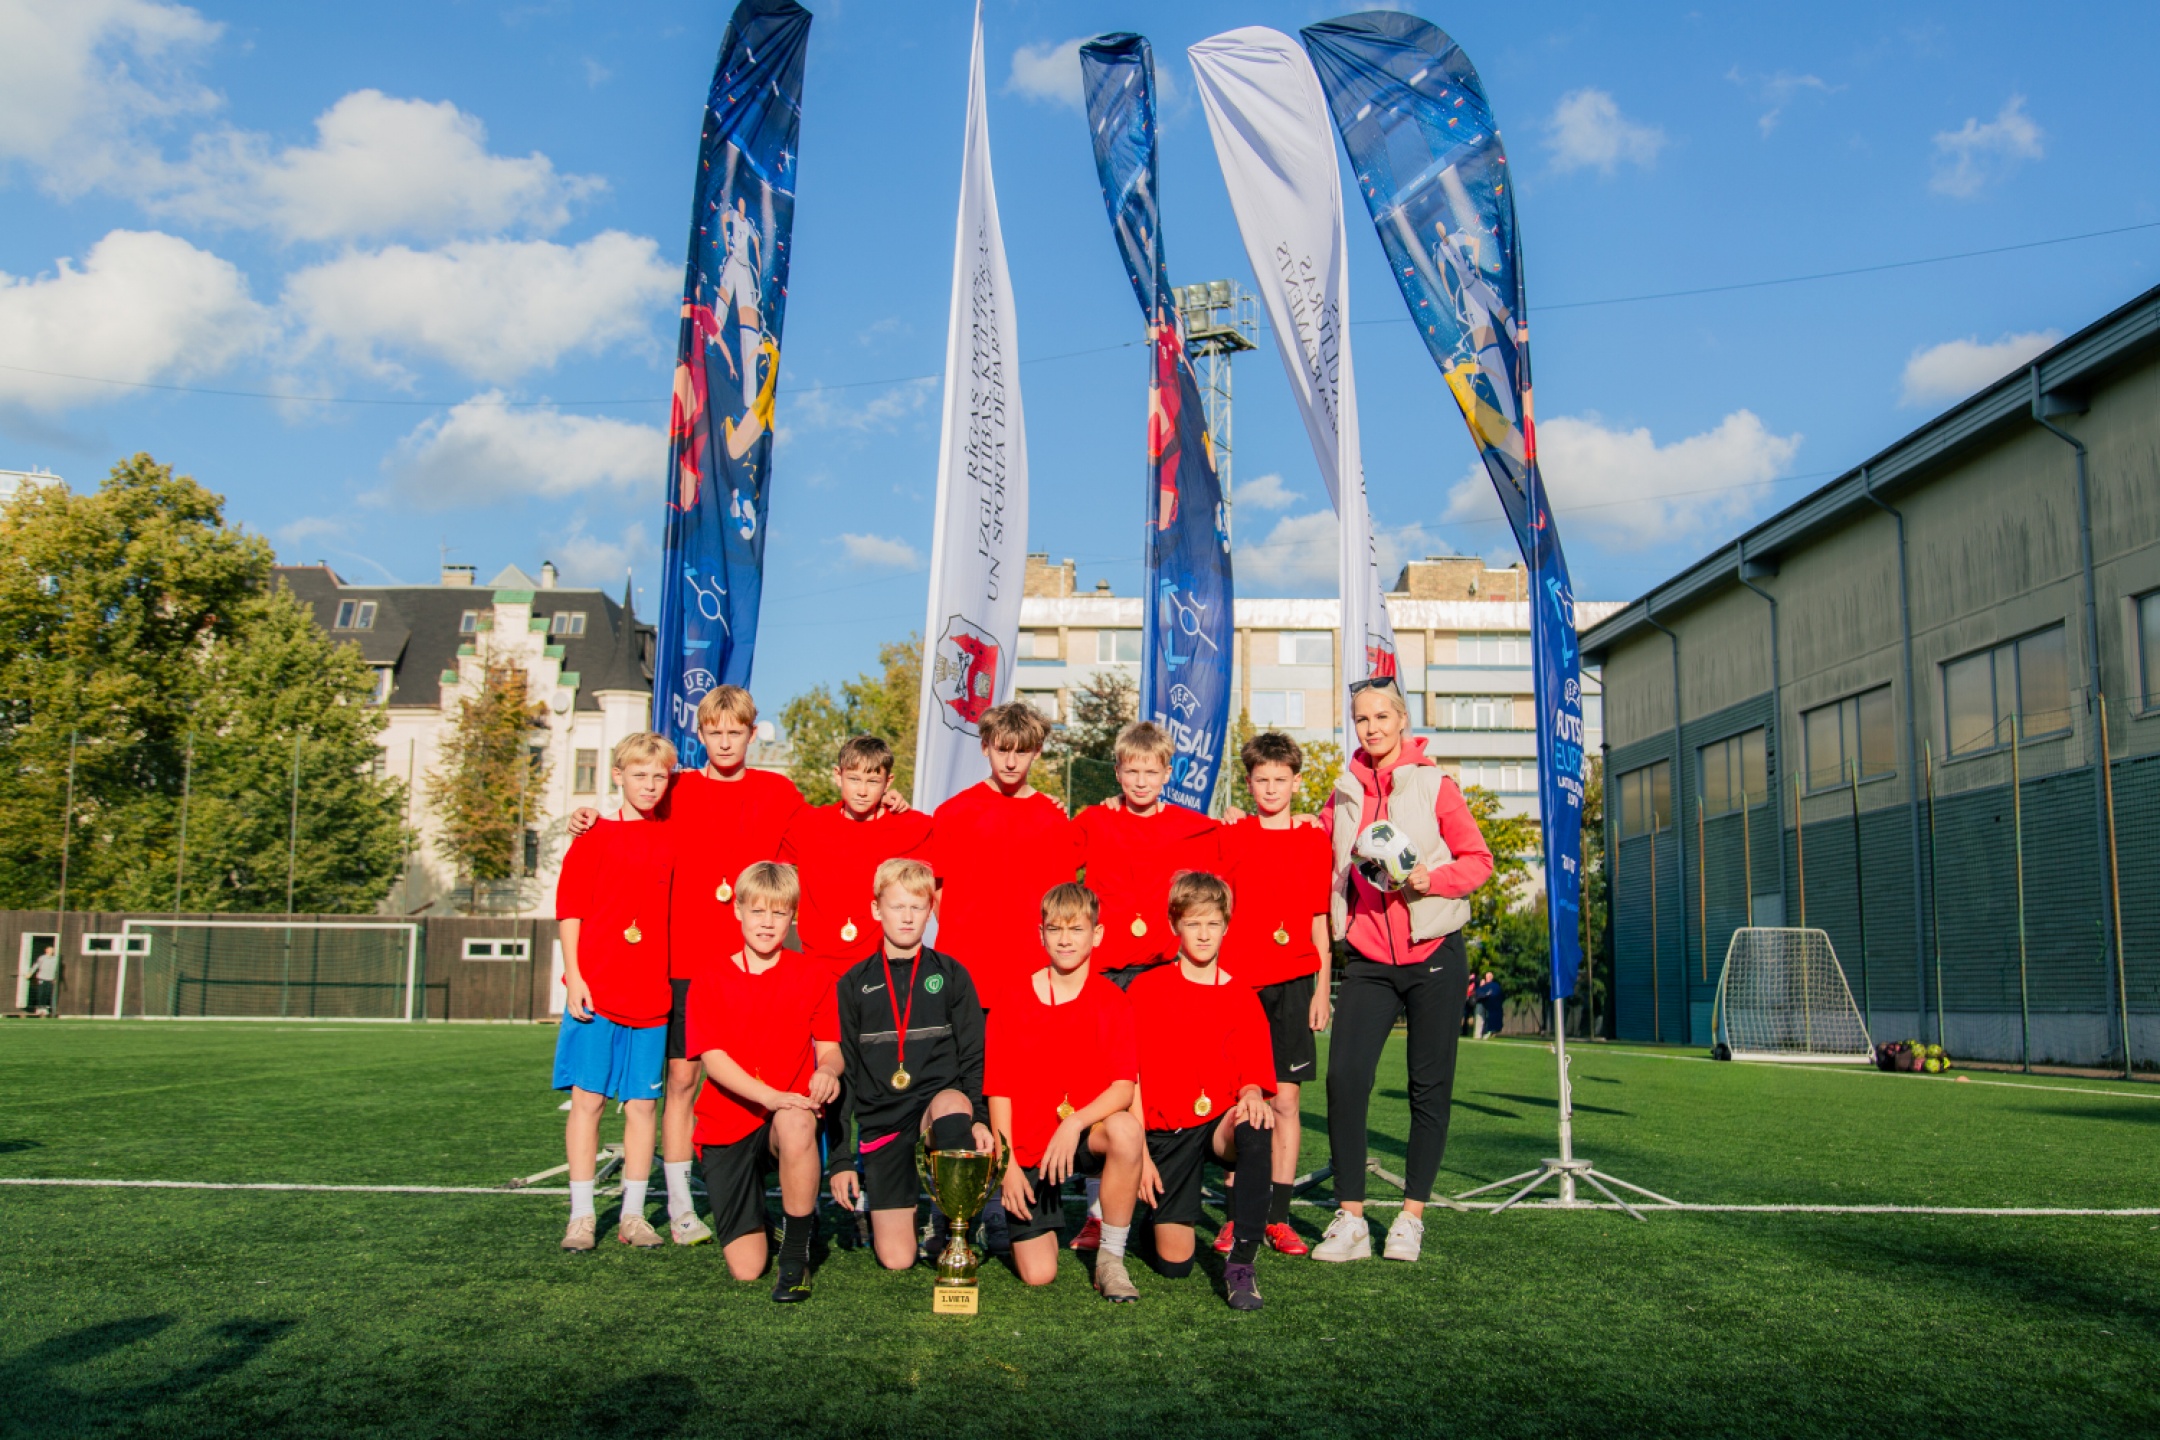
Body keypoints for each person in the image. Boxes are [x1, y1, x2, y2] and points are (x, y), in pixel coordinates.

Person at [564, 687, 907, 1247]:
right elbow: (633, 809)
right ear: (700, 735)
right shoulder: (676, 786)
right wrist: (588, 817)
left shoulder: (778, 791)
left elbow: (832, 822)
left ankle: (788, 1182)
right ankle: (681, 1207)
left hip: (756, 966)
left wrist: (888, 800)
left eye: (736, 732)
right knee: (681, 1081)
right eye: (715, 732)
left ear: (752, 732)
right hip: (681, 962)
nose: (725, 742)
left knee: (775, 1075)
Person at [1313, 679, 1494, 1266]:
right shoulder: (1344, 792)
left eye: (1381, 716)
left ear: (1401, 719)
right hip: (1368, 958)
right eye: (1362, 719)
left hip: (1434, 953)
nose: (1371, 728)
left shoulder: (1435, 784)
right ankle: (1351, 1219)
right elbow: (1312, 846)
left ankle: (1411, 1218)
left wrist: (1431, 880)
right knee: (1344, 1079)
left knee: (1428, 1088)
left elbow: (1479, 860)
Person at [682, 862, 841, 1302]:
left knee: (797, 1120)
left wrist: (828, 1070)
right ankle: (765, 1222)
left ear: (793, 917)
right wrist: (770, 1096)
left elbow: (831, 1047)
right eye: (757, 911)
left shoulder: (813, 975)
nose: (767, 923)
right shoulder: (710, 977)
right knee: (747, 1269)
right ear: (738, 911)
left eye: (779, 913)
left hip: (783, 1117)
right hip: (726, 1124)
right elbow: (714, 1061)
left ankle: (795, 1256)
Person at [985, 883, 1146, 1302]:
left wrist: (1074, 1123)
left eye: (1076, 929)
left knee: (1126, 1129)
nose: (1065, 939)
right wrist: (1007, 1166)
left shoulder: (1113, 1000)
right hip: (1029, 1146)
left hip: (1083, 1134)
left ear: (1097, 934)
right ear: (1040, 934)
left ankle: (1110, 1259)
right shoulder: (1012, 997)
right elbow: (998, 1090)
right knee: (1038, 1274)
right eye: (1055, 929)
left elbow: (1123, 1088)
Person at [831, 857, 992, 1271]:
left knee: (952, 1106)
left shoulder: (952, 974)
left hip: (933, 1113)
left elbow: (974, 1057)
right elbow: (846, 1075)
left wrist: (979, 1118)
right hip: (883, 1123)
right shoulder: (853, 984)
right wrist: (842, 1159)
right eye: (897, 906)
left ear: (930, 910)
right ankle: (898, 1208)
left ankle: (948, 1219)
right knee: (897, 1260)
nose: (907, 917)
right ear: (876, 909)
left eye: (917, 907)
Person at [1126, 872, 1276, 1312]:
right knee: (1175, 1266)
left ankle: (1241, 1265)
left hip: (1217, 1122)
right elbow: (1129, 1078)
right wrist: (1141, 1155)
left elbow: (1252, 1073)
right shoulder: (1146, 989)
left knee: (1256, 1124)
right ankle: (1152, 1222)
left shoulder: (1242, 994)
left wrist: (1252, 1093)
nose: (1204, 934)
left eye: (1213, 923)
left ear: (1226, 925)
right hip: (1165, 1132)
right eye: (1193, 923)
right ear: (1174, 924)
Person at [553, 732, 677, 1252]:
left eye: (659, 776)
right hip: (597, 990)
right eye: (639, 775)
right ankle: (582, 1217)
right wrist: (575, 976)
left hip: (651, 993)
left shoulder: (673, 836)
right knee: (588, 1102)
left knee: (643, 1107)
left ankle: (632, 1216)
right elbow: (570, 910)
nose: (649, 785)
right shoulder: (593, 834)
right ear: (617, 775)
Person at [1211, 731, 1331, 1259]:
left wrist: (1322, 989)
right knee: (1240, 1099)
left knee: (1285, 1100)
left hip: (1295, 983)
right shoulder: (1232, 833)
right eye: (1262, 780)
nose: (1271, 789)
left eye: (1281, 779)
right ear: (1249, 781)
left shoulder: (1313, 838)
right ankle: (1236, 1217)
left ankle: (1278, 1218)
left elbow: (1320, 921)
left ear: (1296, 782)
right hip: (1240, 986)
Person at [921, 701, 1083, 1008]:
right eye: (1002, 750)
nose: (1010, 762)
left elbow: (1062, 902)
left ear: (1037, 751)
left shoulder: (1053, 819)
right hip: (966, 971)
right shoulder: (953, 813)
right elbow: (935, 889)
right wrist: (962, 935)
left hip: (1032, 975)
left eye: (1021, 752)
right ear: (985, 747)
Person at [1073, 721, 1222, 988]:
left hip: (1160, 970)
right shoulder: (1096, 821)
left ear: (1167, 774)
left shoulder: (1190, 826)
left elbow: (1244, 842)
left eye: (1151, 772)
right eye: (1132, 772)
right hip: (1101, 971)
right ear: (1118, 773)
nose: (1141, 782)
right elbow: (1045, 861)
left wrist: (1243, 815)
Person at [777, 735, 936, 980]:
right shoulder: (809, 826)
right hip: (817, 970)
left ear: (888, 782)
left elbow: (947, 885)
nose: (862, 791)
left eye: (873, 781)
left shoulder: (912, 828)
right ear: (837, 775)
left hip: (883, 971)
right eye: (853, 779)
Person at [1475, 970, 1506, 1040]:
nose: (1488, 978)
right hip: (1481, 1003)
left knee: (1489, 1018)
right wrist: (1481, 987)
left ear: (1492, 977)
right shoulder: (1483, 986)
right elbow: (1477, 994)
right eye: (1487, 976)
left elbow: (1499, 996)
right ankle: (1477, 1035)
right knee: (1480, 1019)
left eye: (1489, 976)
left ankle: (1487, 1032)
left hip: (1490, 1005)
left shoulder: (1495, 986)